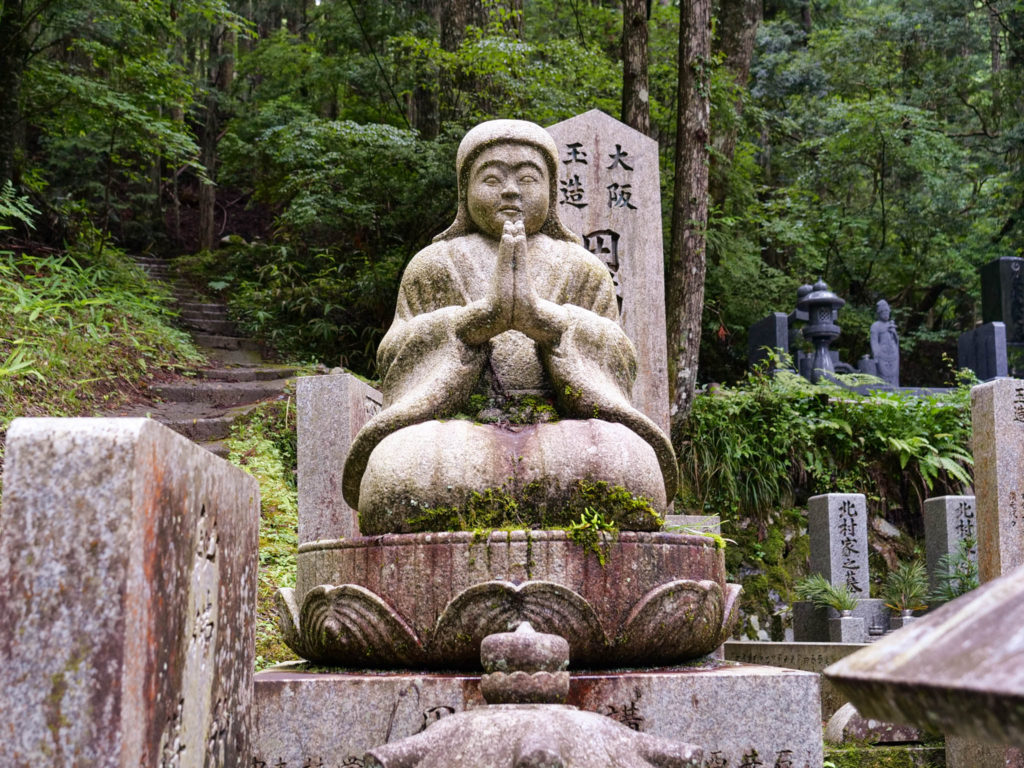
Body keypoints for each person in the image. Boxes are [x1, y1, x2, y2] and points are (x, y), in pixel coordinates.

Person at [341, 119, 676, 531]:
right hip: (461, 433)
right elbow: (394, 355)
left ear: (552, 192)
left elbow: (620, 359)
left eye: (528, 178)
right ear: (464, 191)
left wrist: (551, 323)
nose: (511, 190)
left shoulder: (583, 268)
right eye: (492, 178)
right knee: (395, 473)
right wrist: (468, 324)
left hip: (561, 432)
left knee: (626, 465)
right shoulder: (433, 265)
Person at [870, 299, 899, 386]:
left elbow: (896, 341)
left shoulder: (891, 325)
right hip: (882, 354)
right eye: (884, 312)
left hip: (893, 354)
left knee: (894, 375)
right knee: (883, 375)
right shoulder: (875, 326)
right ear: (879, 313)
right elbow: (874, 341)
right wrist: (875, 354)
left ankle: (894, 389)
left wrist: (894, 333)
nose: (886, 313)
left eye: (887, 311)